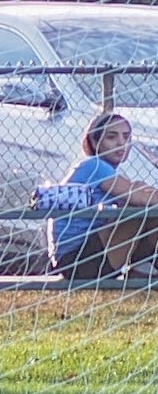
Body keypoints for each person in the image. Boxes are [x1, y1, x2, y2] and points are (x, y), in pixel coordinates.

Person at [50, 112, 158, 279]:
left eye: (126, 137)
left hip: (86, 256)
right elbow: (140, 197)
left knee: (141, 206)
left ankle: (143, 269)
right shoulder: (95, 166)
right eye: (112, 137)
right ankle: (142, 270)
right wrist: (141, 193)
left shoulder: (106, 171)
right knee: (141, 209)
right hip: (77, 260)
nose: (121, 143)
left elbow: (139, 192)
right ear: (95, 142)